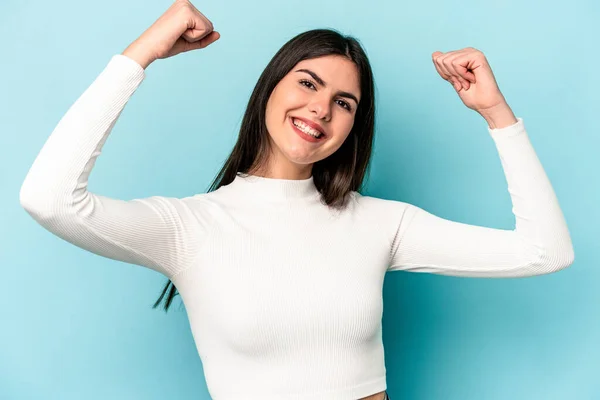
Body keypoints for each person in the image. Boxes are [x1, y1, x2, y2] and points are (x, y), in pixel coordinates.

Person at [19, 0, 574, 399]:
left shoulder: (380, 224)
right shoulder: (189, 227)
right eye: (307, 83)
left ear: (353, 126)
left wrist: (496, 115)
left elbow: (545, 252)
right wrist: (142, 53)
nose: (321, 111)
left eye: (344, 102)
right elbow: (49, 199)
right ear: (271, 86)